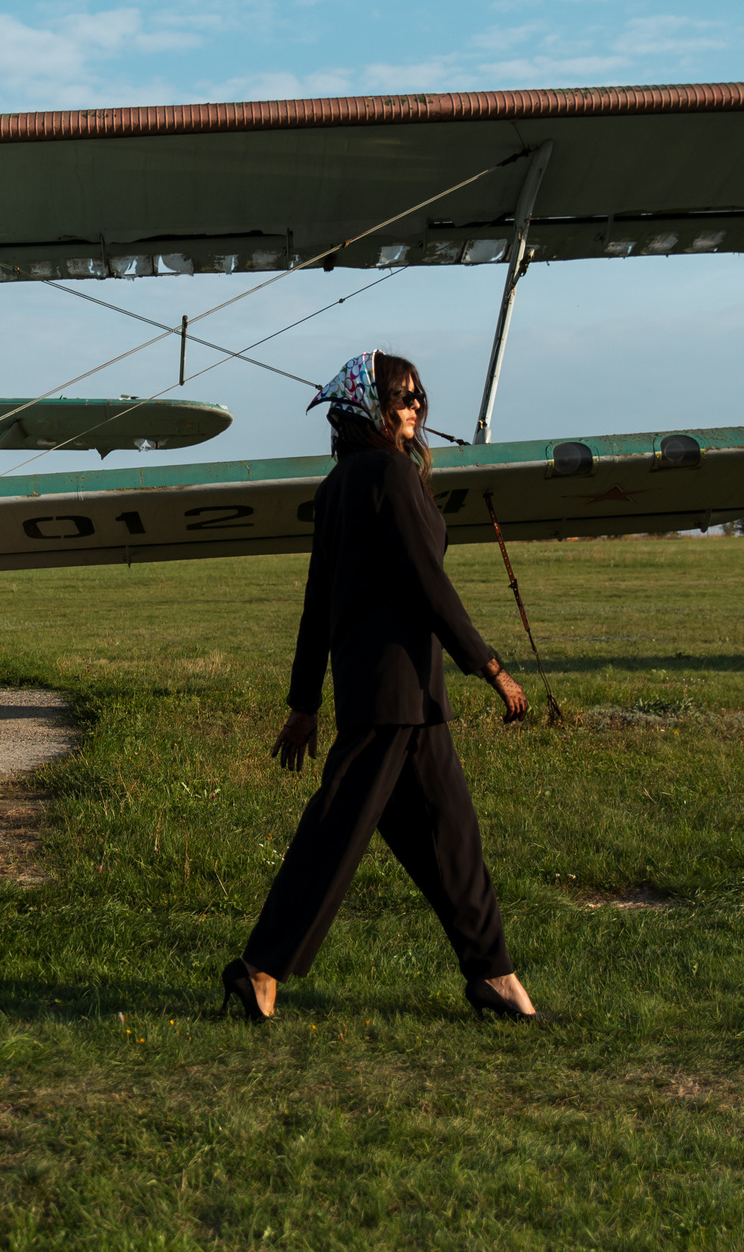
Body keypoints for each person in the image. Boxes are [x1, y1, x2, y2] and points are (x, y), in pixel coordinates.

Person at [223, 350, 543, 1025]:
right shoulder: (390, 476)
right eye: (401, 396)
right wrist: (492, 667)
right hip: (392, 701)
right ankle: (259, 970)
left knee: (454, 842)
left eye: (419, 395)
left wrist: (306, 702)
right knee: (332, 838)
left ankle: (494, 974)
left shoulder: (341, 482)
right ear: (368, 405)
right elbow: (430, 586)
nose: (415, 406)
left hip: (410, 703)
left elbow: (318, 604)